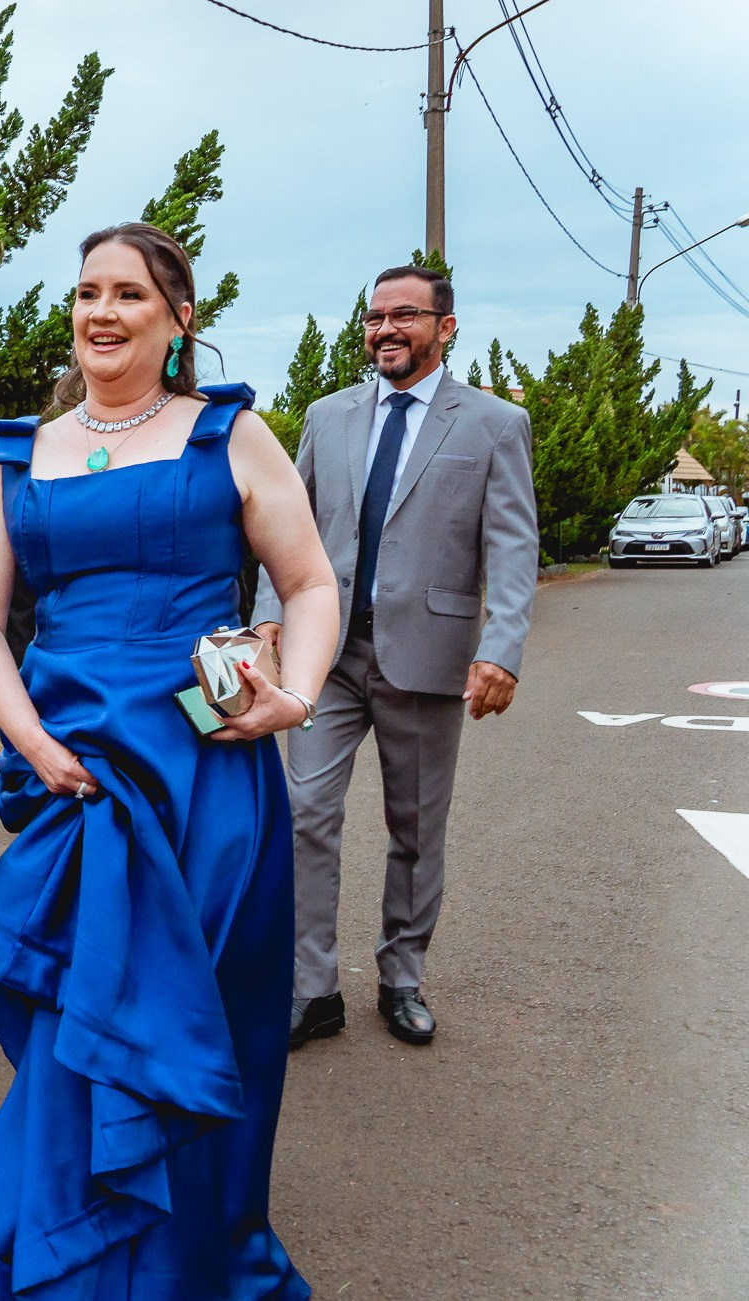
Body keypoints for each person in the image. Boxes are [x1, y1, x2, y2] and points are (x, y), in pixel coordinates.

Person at [0, 222, 336, 1299]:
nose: (100, 313)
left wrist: (294, 694)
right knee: (81, 1021)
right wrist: (28, 739)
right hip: (73, 776)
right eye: (85, 292)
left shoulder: (230, 436)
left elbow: (309, 584)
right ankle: (77, 1257)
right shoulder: (18, 451)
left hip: (206, 778)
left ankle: (192, 1255)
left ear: (177, 318)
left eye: (129, 296)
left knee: (196, 1016)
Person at [257, 264, 536, 1050]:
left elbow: (513, 545)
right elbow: (292, 525)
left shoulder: (491, 424)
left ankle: (401, 976)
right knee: (306, 815)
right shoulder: (328, 415)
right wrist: (270, 618)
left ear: (446, 327)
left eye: (405, 315)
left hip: (429, 655)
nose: (385, 329)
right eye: (375, 317)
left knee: (415, 828)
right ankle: (311, 989)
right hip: (328, 655)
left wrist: (502, 647)